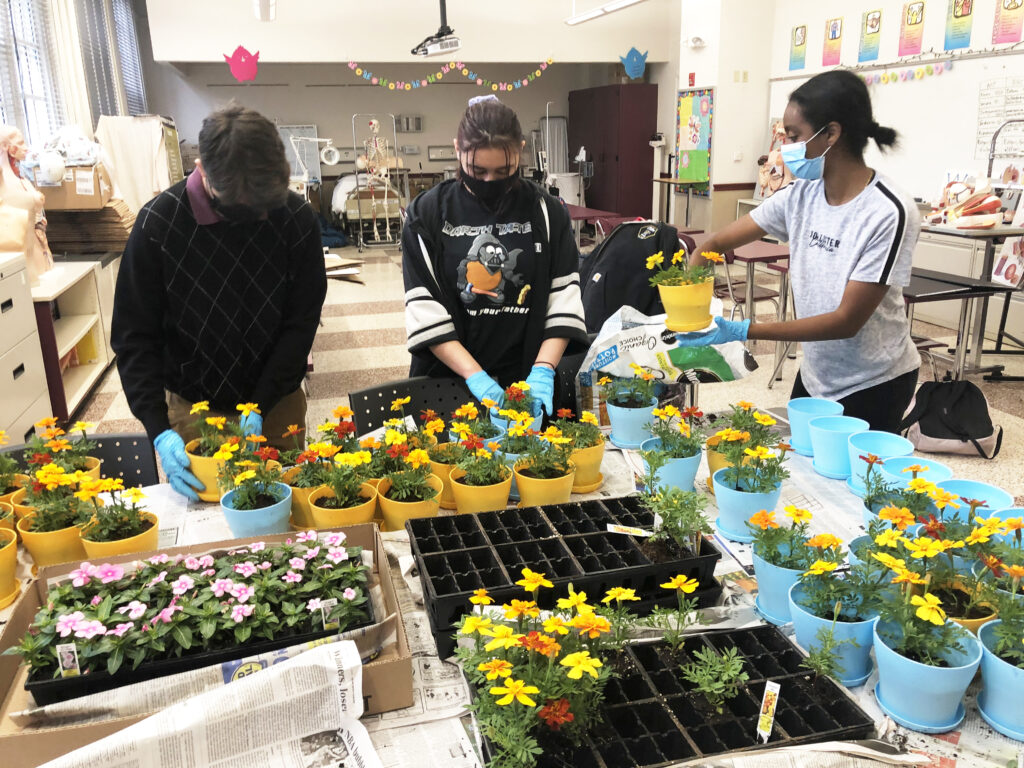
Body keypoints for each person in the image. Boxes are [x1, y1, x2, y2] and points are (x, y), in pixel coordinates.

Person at [678, 71, 920, 433]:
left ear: (832, 134)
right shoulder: (800, 196)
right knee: (798, 469)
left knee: (853, 483)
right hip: (816, 374)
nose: (784, 148)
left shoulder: (887, 211)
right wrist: (688, 312)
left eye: (793, 137)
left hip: (873, 381)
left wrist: (743, 329)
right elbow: (712, 244)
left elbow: (846, 321)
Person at [112, 104, 327, 499]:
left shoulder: (293, 217)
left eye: (263, 208)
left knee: (287, 518)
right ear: (202, 169)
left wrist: (260, 403)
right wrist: (158, 429)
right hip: (195, 409)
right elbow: (134, 338)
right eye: (239, 209)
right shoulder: (158, 225)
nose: (256, 219)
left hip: (276, 402)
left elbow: (300, 323)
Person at [401, 95, 588, 416]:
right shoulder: (428, 213)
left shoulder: (545, 211)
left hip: (526, 379)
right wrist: (477, 378)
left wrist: (542, 371)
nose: (489, 181)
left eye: (504, 170)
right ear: (457, 148)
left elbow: (563, 300)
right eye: (477, 169)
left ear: (521, 149)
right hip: (450, 381)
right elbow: (425, 309)